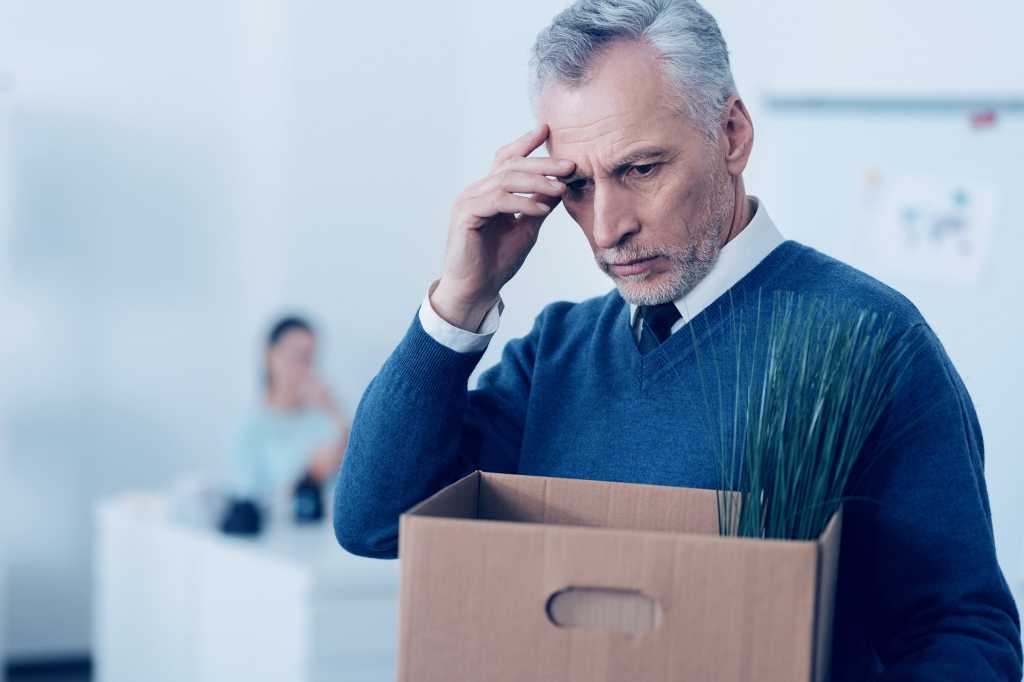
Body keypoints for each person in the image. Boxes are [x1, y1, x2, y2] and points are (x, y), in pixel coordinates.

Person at [333, 1, 1022, 679]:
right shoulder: (558, 352)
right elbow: (374, 524)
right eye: (576, 185)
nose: (606, 228)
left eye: (640, 170)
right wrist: (461, 299)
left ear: (731, 133)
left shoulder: (870, 341)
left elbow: (967, 635)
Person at [229, 316, 348, 511]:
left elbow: (357, 469)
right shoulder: (249, 427)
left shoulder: (324, 417)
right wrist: (309, 475)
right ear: (269, 356)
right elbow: (250, 504)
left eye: (308, 358)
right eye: (294, 356)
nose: (302, 367)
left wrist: (333, 408)